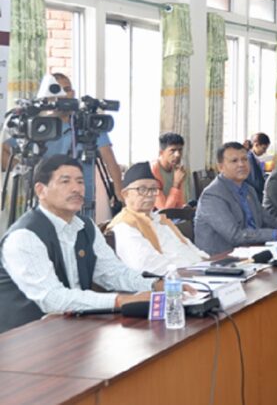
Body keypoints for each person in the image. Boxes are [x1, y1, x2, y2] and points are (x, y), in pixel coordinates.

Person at [0, 155, 160, 333]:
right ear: (41, 190)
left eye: (80, 182)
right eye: (65, 181)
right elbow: (52, 299)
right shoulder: (24, 236)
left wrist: (157, 285)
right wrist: (120, 300)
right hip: (24, 337)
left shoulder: (86, 226)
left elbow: (113, 273)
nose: (76, 188)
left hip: (72, 328)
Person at [2, 73, 124, 219]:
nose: (64, 95)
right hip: (47, 203)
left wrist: (119, 194)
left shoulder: (87, 122)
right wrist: (23, 171)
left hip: (83, 203)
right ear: (47, 97)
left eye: (67, 89)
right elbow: (3, 150)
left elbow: (110, 160)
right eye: (57, 91)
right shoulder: (37, 125)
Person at [195, 142, 277, 255]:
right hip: (221, 260)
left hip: (252, 252)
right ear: (220, 167)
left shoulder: (249, 189)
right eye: (234, 161)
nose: (241, 164)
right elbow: (235, 235)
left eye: (244, 159)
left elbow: (268, 220)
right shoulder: (213, 196)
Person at [109, 162, 208, 275]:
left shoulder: (159, 219)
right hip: (173, 280)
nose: (149, 194)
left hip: (197, 272)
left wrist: (207, 263)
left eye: (153, 189)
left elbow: (188, 246)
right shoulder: (125, 226)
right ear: (125, 194)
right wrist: (193, 270)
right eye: (142, 189)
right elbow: (148, 266)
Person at [151, 132, 192, 210]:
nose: (178, 155)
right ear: (161, 153)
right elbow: (164, 211)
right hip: (154, 215)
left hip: (173, 213)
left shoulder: (177, 169)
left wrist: (184, 207)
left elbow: (179, 204)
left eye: (180, 150)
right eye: (172, 151)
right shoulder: (152, 172)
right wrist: (176, 184)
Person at [245, 132, 270, 203]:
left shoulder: (255, 158)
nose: (265, 152)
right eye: (264, 148)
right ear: (256, 145)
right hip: (253, 195)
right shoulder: (249, 159)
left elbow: (262, 174)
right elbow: (255, 181)